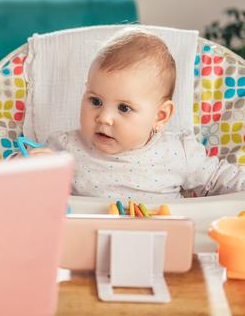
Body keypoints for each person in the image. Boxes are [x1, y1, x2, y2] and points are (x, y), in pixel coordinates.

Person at [32, 27, 245, 202]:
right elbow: (24, 186)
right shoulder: (64, 148)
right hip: (88, 242)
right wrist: (36, 168)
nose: (104, 117)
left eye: (124, 108)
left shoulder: (179, 152)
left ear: (160, 116)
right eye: (95, 101)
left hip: (161, 242)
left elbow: (220, 180)